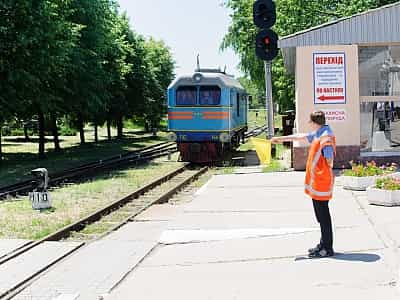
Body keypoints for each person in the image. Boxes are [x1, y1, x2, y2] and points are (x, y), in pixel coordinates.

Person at [271, 110, 336, 258]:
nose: (309, 125)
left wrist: (322, 172)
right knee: (320, 216)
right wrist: (281, 139)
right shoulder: (320, 132)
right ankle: (323, 244)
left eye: (310, 122)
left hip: (322, 182)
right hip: (317, 183)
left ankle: (327, 248)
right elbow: (301, 136)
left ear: (314, 122)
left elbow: (329, 159)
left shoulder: (325, 137)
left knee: (324, 217)